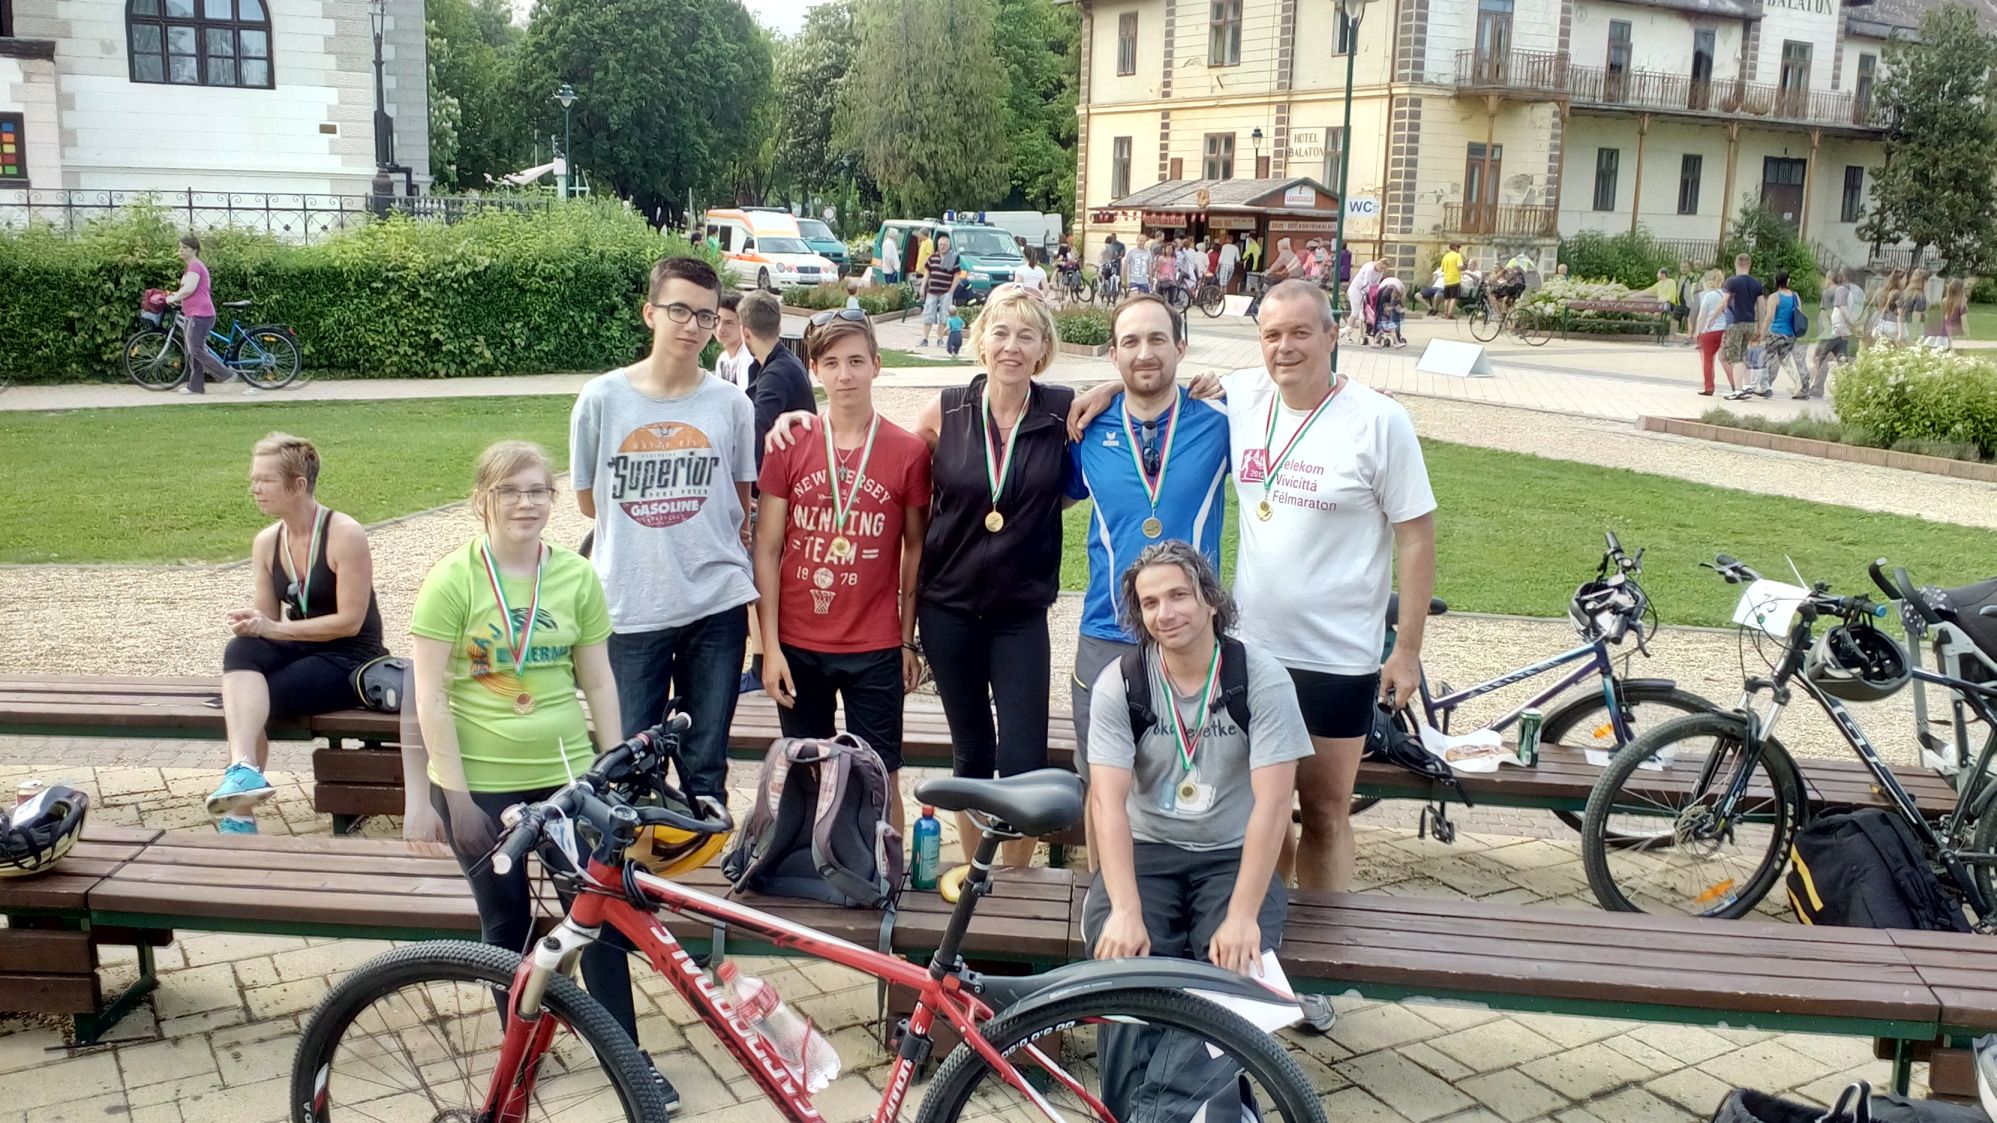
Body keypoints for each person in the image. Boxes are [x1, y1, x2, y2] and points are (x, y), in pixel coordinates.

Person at [403, 440, 671, 1092]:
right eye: (509, 491)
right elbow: (427, 696)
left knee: (596, 919)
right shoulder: (451, 579)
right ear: (482, 499)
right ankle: (519, 1056)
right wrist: (455, 798)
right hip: (480, 782)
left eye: (537, 491)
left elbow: (598, 680)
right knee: (506, 924)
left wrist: (612, 771)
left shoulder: (575, 576)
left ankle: (627, 1060)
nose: (525, 503)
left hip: (568, 781)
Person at [1084, 542, 1319, 1114]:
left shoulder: (1259, 678)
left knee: (1239, 973)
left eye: (1179, 595)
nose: (1166, 613)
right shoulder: (1123, 682)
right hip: (1147, 851)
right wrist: (1125, 907)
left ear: (1211, 600)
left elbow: (1274, 805)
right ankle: (1202, 1107)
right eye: (1150, 603)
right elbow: (1106, 803)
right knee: (1124, 967)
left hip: (1232, 855)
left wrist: (1242, 916)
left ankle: (1148, 1115)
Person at [1226, 281, 1436, 893]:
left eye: (1300, 332)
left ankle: (1327, 943)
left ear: (1332, 335)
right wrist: (1105, 389)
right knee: (1256, 812)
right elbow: (1158, 385)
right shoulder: (1242, 397)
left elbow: (1417, 538)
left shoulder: (1379, 421)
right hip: (1251, 652)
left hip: (1337, 658)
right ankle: (1268, 931)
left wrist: (1407, 650)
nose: (1284, 347)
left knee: (1322, 813)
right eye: (1271, 335)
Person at [569, 256, 757, 805]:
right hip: (631, 606)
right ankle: (637, 860)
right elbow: (588, 502)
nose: (692, 326)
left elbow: (739, 501)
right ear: (650, 312)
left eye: (705, 316)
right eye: (679, 310)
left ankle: (701, 855)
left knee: (705, 765)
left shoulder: (733, 404)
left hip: (716, 607)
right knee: (628, 766)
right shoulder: (602, 399)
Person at [1064, 295, 1232, 864]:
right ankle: (1105, 901)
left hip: (1193, 635)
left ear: (1181, 347)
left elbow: (1291, 396)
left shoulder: (1220, 423)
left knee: (1197, 781)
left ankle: (1183, 898)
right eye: (1131, 342)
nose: (1145, 353)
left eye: (1158, 339)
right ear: (1112, 353)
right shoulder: (1087, 428)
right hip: (1107, 633)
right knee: (1102, 787)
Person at [754, 311, 931, 838]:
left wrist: (906, 640)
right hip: (797, 643)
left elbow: (915, 549)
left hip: (873, 646)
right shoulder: (789, 443)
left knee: (880, 777)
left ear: (877, 365)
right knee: (806, 773)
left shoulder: (908, 452)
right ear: (815, 370)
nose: (845, 374)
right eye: (831, 363)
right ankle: (811, 871)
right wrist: (769, 647)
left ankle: (884, 871)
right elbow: (767, 547)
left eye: (856, 361)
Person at [208, 433, 388, 833]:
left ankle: (239, 813)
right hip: (304, 647)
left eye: (265, 480)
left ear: (298, 485)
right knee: (240, 650)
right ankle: (242, 771)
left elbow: (350, 622)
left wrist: (272, 627)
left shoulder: (345, 533)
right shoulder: (267, 542)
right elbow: (265, 623)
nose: (254, 488)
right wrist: (252, 623)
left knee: (252, 700)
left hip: (351, 656)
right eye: (253, 479)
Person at [164, 234, 240, 396]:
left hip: (201, 314)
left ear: (195, 250)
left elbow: (190, 288)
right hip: (192, 313)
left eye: (185, 248)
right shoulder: (190, 267)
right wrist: (176, 296)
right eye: (180, 247)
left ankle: (227, 375)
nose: (181, 250)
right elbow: (189, 291)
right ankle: (195, 386)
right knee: (191, 350)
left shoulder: (195, 266)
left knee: (196, 349)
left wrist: (174, 298)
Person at [1740, 270, 1804, 399]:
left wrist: (1762, 333)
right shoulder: (1794, 296)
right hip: (1790, 334)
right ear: (1788, 281)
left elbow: (1769, 317)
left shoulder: (1774, 297)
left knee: (1763, 359)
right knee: (1785, 360)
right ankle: (1799, 385)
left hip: (1775, 332)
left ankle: (1760, 386)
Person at [1807, 269, 1859, 398]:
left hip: (1831, 331)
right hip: (1842, 332)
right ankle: (1850, 389)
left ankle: (1810, 386)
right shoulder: (1847, 292)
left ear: (1829, 279)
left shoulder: (1828, 293)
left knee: (1819, 358)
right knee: (1842, 360)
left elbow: (1826, 313)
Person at [1720, 254, 1765, 392]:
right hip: (1750, 323)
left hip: (1735, 323)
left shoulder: (1731, 282)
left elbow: (1724, 303)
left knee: (1735, 358)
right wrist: (1760, 327)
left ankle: (1738, 389)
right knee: (1742, 354)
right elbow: (1761, 307)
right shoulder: (1756, 283)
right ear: (1749, 264)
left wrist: (1715, 317)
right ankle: (1746, 384)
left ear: (1736, 264)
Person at [919, 234, 964, 348]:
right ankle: (925, 339)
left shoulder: (953, 259)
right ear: (938, 245)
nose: (942, 247)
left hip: (945, 292)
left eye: (945, 245)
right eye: (941, 245)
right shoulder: (932, 258)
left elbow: (957, 276)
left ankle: (940, 339)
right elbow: (927, 273)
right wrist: (922, 288)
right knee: (928, 315)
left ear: (949, 246)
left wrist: (951, 291)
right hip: (932, 292)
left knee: (944, 317)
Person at [1692, 269, 1732, 396]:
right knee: (1726, 360)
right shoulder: (1727, 294)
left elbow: (1702, 316)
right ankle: (1735, 385)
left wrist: (1698, 331)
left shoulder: (1708, 296)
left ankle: (1709, 387)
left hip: (1710, 331)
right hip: (1725, 330)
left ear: (1707, 281)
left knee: (1708, 360)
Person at [1244, 239, 1299, 319]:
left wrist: (1267, 272)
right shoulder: (1289, 253)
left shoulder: (1284, 253)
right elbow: (1287, 265)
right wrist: (1281, 272)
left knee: (1278, 289)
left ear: (1281, 246)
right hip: (1295, 276)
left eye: (1278, 246)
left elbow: (1276, 264)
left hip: (1293, 277)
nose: (1277, 248)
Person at [713, 292, 752, 389]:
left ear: (743, 326)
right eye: (716, 320)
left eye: (728, 323)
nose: (720, 328)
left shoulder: (748, 359)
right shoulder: (723, 359)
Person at [1438, 243, 1466, 319]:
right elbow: (1459, 266)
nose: (1459, 249)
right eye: (1458, 248)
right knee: (1453, 297)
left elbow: (1442, 269)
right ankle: (1449, 314)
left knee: (1447, 298)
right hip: (1455, 279)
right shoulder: (1457, 255)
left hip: (1446, 280)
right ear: (1455, 248)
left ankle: (1445, 313)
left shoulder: (1445, 256)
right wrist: (1464, 267)